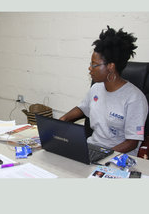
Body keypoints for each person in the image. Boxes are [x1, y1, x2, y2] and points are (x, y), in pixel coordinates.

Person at [60, 26, 148, 156]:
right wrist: (63, 119)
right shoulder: (96, 88)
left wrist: (103, 154)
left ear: (111, 66)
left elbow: (132, 142)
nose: (90, 68)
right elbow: (83, 108)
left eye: (94, 64)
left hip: (118, 156)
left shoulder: (135, 99)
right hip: (91, 148)